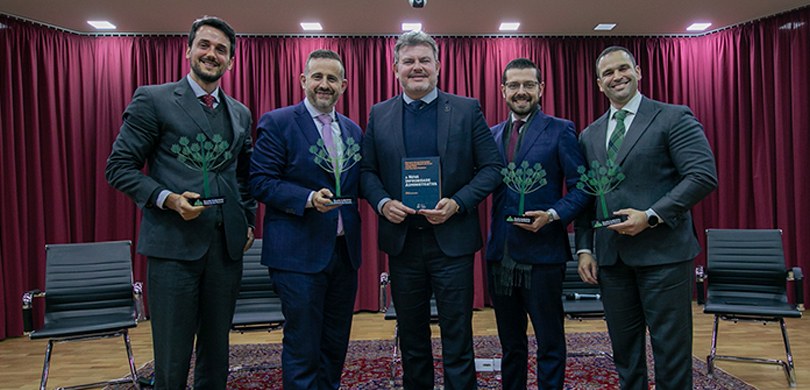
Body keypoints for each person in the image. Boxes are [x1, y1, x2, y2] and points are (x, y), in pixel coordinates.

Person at [105, 16, 256, 389]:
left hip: (225, 250)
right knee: (172, 359)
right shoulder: (153, 99)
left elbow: (244, 177)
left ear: (231, 61)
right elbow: (118, 167)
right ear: (188, 51)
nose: (212, 54)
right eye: (204, 45)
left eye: (221, 49)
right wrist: (168, 199)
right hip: (173, 248)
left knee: (216, 353)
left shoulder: (240, 113)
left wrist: (248, 221)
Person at [360, 30, 502, 390]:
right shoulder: (379, 114)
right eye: (409, 61)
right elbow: (366, 172)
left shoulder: (467, 109)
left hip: (451, 243)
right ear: (395, 69)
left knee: (457, 335)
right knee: (412, 337)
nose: (417, 67)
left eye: (425, 60)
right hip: (404, 244)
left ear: (439, 66)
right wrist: (382, 202)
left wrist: (458, 203)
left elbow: (492, 168)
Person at [575, 46, 718, 389]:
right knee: (625, 353)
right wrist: (584, 249)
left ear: (638, 71)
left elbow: (702, 176)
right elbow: (586, 196)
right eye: (608, 73)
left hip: (664, 255)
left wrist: (651, 216)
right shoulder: (589, 134)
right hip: (612, 260)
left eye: (623, 68)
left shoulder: (672, 116)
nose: (617, 77)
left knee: (671, 352)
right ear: (598, 84)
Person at [249, 49, 362, 389]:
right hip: (297, 255)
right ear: (303, 81)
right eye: (317, 77)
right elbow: (260, 181)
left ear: (343, 85)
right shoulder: (279, 122)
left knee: (334, 342)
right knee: (303, 345)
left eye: (331, 79)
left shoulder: (354, 131)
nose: (324, 85)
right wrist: (308, 199)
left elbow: (365, 181)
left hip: (344, 254)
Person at [486, 58, 590, 390]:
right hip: (501, 257)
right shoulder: (490, 135)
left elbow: (583, 186)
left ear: (540, 88)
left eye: (528, 84)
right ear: (502, 90)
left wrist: (554, 215)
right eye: (513, 85)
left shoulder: (561, 129)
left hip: (543, 256)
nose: (521, 91)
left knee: (550, 342)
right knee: (510, 345)